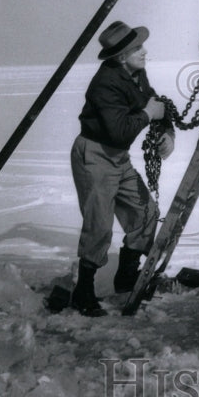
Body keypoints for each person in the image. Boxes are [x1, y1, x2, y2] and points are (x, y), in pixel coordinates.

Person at [69, 21, 175, 317]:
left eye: (140, 46)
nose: (144, 52)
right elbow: (119, 131)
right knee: (99, 224)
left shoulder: (136, 73)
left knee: (146, 213)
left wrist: (167, 130)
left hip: (117, 157)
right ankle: (83, 292)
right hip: (95, 155)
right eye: (137, 48)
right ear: (120, 57)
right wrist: (147, 113)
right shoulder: (106, 83)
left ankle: (126, 277)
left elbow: (156, 103)